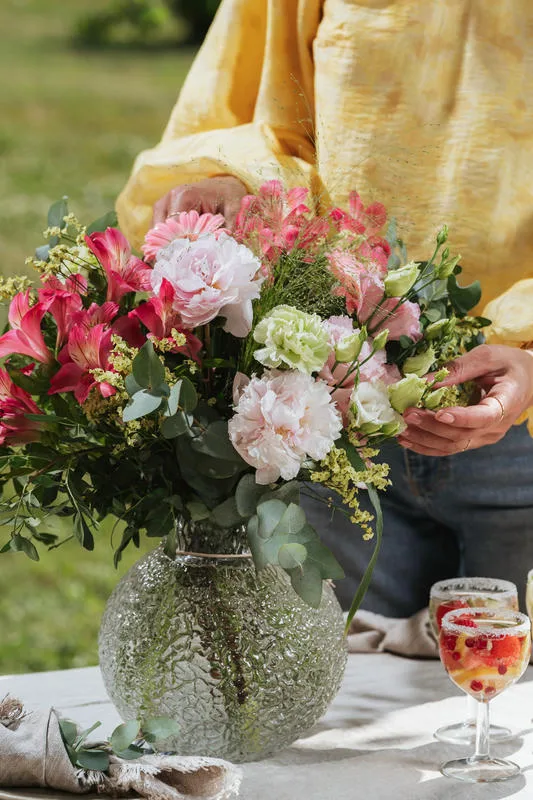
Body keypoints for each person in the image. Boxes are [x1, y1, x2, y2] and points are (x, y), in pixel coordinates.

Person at [117, 0, 533, 615]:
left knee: (506, 697)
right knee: (342, 698)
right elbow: (250, 107)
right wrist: (233, 182)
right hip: (334, 428)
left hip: (521, 457)